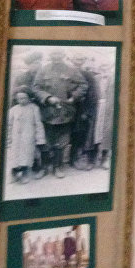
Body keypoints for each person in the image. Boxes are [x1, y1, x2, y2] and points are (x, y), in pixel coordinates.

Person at [32, 49, 89, 178]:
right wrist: (47, 97)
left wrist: (73, 97)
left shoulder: (71, 70)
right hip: (47, 112)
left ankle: (57, 167)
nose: (56, 57)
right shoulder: (43, 70)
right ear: (50, 55)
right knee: (45, 141)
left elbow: (83, 85)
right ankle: (45, 167)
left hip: (65, 112)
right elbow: (36, 88)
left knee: (62, 141)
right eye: (53, 54)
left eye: (58, 54)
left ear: (63, 55)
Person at [6, 89, 46, 185]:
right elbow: (9, 125)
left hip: (28, 137)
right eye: (19, 98)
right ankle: (14, 172)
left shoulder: (34, 108)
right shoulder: (13, 110)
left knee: (26, 155)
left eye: (24, 98)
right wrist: (8, 138)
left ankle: (25, 172)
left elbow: (38, 124)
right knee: (14, 155)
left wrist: (40, 139)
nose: (22, 100)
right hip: (16, 137)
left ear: (29, 98)